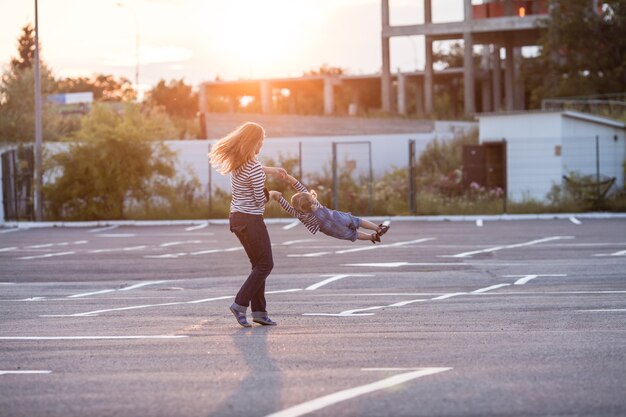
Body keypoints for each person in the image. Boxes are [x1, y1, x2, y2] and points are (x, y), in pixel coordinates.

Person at [209, 122, 286, 327]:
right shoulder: (254, 170)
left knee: (258, 265)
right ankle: (239, 304)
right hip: (251, 220)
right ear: (254, 141)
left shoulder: (240, 163)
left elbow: (256, 169)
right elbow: (259, 200)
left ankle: (259, 312)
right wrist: (273, 195)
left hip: (236, 218)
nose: (262, 143)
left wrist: (271, 170)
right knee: (265, 264)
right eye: (261, 139)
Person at [269, 174, 389, 243]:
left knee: (354, 235)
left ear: (298, 208)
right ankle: (378, 228)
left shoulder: (301, 215)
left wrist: (276, 196)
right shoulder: (314, 201)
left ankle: (371, 237)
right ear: (308, 197)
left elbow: (286, 207)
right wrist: (287, 177)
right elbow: (298, 185)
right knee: (358, 221)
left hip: (331, 230)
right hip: (338, 218)